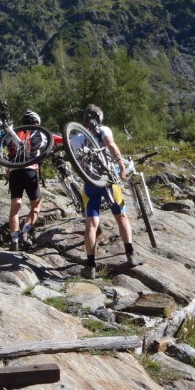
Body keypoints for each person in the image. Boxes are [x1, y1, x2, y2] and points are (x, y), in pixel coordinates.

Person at [71, 104, 134, 278]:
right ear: (99, 118)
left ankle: (90, 265)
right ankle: (130, 255)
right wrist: (121, 165)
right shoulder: (103, 130)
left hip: (90, 183)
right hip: (108, 181)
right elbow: (111, 145)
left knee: (91, 223)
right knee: (121, 216)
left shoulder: (76, 138)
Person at [6, 110, 48, 251]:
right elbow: (53, 141)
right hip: (30, 171)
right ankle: (25, 231)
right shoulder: (40, 133)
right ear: (36, 122)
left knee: (15, 207)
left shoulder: (14, 134)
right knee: (36, 206)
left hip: (14, 171)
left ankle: (14, 240)